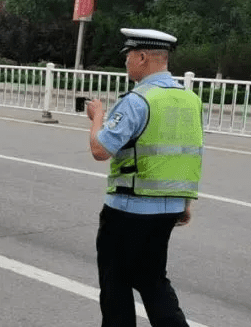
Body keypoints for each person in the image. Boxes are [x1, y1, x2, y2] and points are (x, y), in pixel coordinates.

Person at [85, 28, 203, 327]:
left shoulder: (138, 100)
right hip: (170, 208)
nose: (126, 62)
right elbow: (187, 153)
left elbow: (100, 149)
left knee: (115, 281)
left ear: (142, 57)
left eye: (128, 56)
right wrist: (185, 202)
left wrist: (97, 116)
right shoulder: (190, 99)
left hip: (129, 208)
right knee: (152, 279)